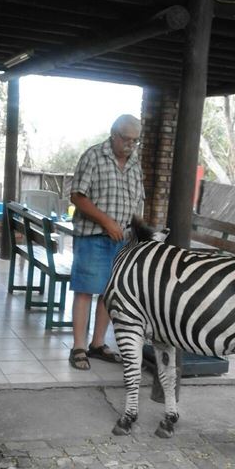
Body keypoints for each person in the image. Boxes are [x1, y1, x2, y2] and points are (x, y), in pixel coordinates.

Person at [68, 114, 144, 370]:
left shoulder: (135, 162)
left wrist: (138, 232)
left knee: (109, 293)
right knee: (85, 290)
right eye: (127, 139)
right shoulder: (93, 156)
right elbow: (77, 196)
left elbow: (137, 202)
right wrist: (107, 222)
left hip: (122, 239)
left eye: (135, 141)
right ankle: (78, 347)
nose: (131, 145)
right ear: (114, 134)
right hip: (93, 236)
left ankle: (97, 344)